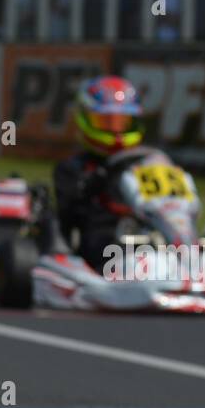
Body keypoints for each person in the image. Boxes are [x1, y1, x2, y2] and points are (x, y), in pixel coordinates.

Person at [52, 75, 146, 271]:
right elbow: (69, 214)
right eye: (107, 122)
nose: (116, 131)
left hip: (146, 236)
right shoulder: (73, 168)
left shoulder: (145, 164)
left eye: (122, 123)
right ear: (85, 119)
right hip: (102, 245)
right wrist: (97, 181)